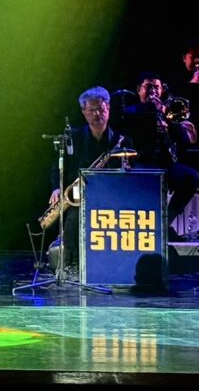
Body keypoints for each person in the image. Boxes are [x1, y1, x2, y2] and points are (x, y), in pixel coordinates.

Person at [46, 87, 130, 273]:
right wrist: (56, 188)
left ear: (108, 108)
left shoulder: (122, 141)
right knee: (74, 217)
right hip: (78, 195)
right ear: (84, 112)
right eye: (92, 110)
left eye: (101, 109)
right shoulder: (72, 138)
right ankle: (72, 264)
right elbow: (56, 168)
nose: (97, 114)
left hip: (111, 196)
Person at [120, 73, 199, 226]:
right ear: (139, 89)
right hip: (140, 162)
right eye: (148, 87)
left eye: (156, 87)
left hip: (164, 163)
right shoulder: (130, 112)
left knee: (191, 177)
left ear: (162, 90)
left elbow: (184, 139)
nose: (153, 91)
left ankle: (165, 222)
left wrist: (167, 120)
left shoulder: (167, 113)